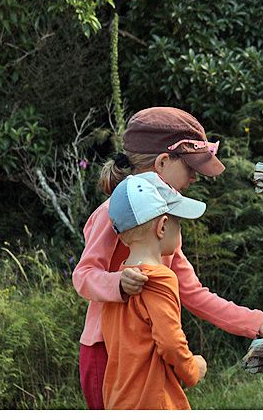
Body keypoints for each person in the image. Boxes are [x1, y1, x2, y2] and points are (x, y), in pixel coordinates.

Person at [73, 107, 263, 409]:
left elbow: (193, 293)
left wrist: (252, 321)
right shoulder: (110, 214)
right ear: (163, 162)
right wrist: (118, 283)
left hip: (149, 351)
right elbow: (83, 276)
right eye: (190, 169)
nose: (195, 179)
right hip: (106, 351)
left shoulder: (167, 227)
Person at [101, 172, 209, 409]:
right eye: (177, 223)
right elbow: (170, 343)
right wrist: (193, 368)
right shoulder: (160, 279)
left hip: (118, 401)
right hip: (154, 402)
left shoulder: (117, 283)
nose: (179, 231)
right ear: (162, 226)